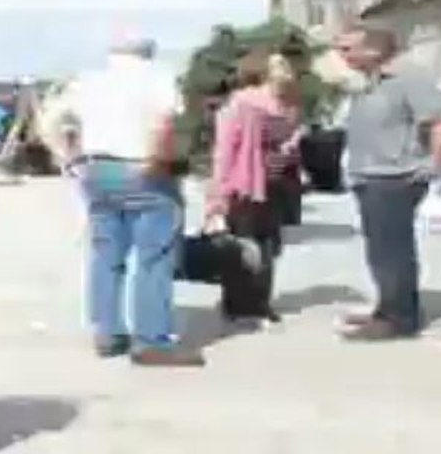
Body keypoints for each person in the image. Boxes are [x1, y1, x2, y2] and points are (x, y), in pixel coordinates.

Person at [58, 34, 204, 366]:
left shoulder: (88, 80)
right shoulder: (158, 77)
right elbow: (166, 123)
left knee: (106, 252)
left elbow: (65, 124)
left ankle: (107, 332)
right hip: (139, 165)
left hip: (96, 168)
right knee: (155, 254)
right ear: (148, 52)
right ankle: (151, 338)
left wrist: (75, 159)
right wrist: (161, 161)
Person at [334, 24, 441, 341]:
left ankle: (401, 318)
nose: (341, 55)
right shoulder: (369, 82)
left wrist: (432, 166)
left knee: (393, 250)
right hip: (369, 176)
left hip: (396, 176)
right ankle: (387, 308)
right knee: (379, 250)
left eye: (347, 48)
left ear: (373, 49)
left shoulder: (409, 78)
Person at [208, 50, 302, 326]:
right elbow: (226, 147)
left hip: (260, 181)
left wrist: (218, 191)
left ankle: (249, 303)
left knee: (255, 243)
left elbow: (227, 150)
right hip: (261, 181)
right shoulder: (267, 104)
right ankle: (250, 303)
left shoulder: (260, 104)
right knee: (256, 242)